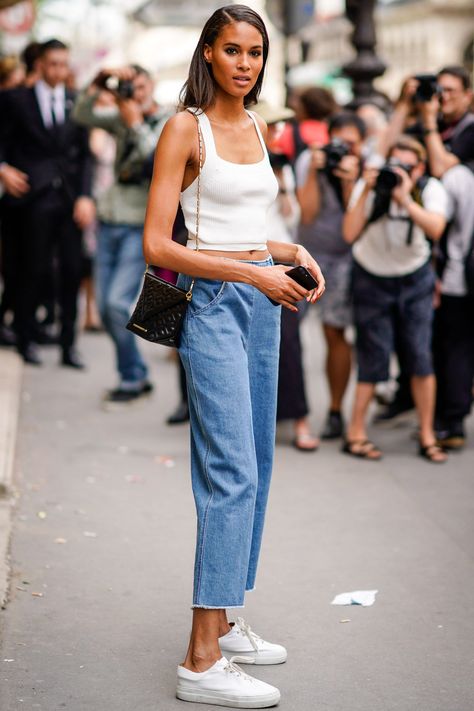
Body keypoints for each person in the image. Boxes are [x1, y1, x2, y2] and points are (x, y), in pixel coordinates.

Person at [142, 5, 325, 707]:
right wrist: (252, 272)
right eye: (232, 50)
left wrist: (287, 249)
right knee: (231, 474)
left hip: (262, 305)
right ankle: (200, 657)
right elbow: (161, 244)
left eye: (255, 51)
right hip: (214, 308)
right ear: (209, 55)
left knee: (259, 462)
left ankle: (226, 617)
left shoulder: (255, 124)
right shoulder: (184, 127)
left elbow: (245, 224)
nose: (245, 62)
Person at [342, 136, 449, 463]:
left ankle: (428, 433)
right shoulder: (371, 185)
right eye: (395, 165)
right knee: (372, 355)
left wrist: (405, 198)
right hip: (371, 276)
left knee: (420, 355)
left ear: (420, 168)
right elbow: (349, 233)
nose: (400, 172)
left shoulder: (430, 189)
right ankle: (356, 432)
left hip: (414, 278)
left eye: (408, 166)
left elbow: (436, 229)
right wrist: (366, 189)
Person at [73, 65, 168, 406]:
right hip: (109, 217)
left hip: (138, 223)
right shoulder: (120, 115)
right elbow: (81, 115)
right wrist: (97, 81)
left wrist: (134, 122)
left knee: (115, 304)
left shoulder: (168, 123)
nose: (136, 95)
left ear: (152, 86)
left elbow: (157, 159)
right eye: (129, 88)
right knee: (102, 304)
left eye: (140, 87)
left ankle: (132, 374)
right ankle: (135, 372)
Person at [0, 39, 95, 367]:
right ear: (40, 65)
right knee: (32, 270)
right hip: (30, 197)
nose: (58, 70)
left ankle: (69, 346)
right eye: (52, 64)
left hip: (69, 201)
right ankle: (25, 339)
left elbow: (85, 157)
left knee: (71, 271)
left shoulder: (77, 102)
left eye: (63, 64)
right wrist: (3, 170)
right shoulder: (14, 100)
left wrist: (86, 196)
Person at [296, 112, 366, 440]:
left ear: (361, 145)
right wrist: (314, 170)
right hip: (308, 255)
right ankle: (296, 412)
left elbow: (355, 226)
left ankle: (336, 410)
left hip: (344, 259)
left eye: (349, 144)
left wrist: (351, 180)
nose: (342, 150)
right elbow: (307, 213)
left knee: (335, 333)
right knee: (289, 334)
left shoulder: (369, 168)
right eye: (336, 142)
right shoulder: (312, 161)